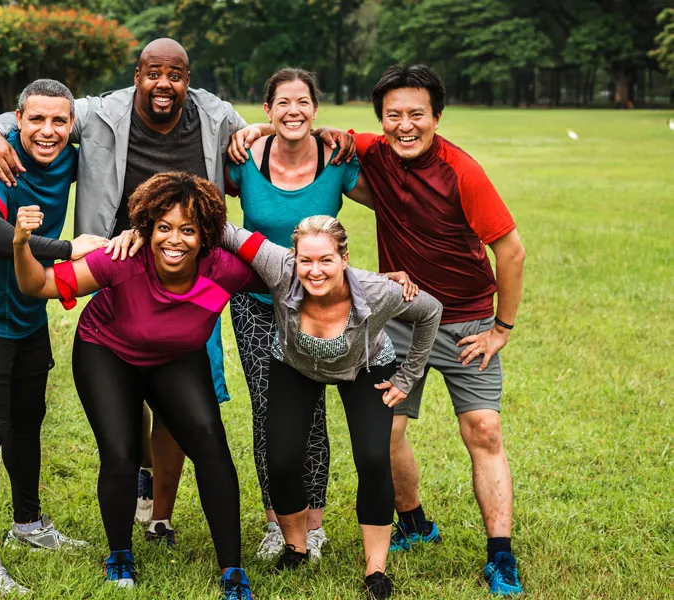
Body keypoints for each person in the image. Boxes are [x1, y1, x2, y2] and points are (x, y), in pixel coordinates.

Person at [0, 38, 355, 542]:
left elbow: (275, 132)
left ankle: (160, 514)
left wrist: (322, 130)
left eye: (175, 74)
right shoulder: (100, 113)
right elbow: (37, 113)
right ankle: (139, 479)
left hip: (191, 271)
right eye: (153, 73)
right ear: (137, 75)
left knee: (182, 399)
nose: (164, 84)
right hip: (119, 262)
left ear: (188, 78)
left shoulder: (213, 114)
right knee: (124, 385)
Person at [11, 172, 258, 599]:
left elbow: (295, 275)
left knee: (212, 448)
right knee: (122, 452)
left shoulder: (225, 270)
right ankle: (120, 553)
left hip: (176, 356)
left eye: (188, 230)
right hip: (107, 350)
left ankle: (232, 569)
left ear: (206, 237)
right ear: (146, 228)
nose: (174, 240)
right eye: (163, 228)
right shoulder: (122, 260)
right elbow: (39, 285)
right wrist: (20, 244)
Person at [353, 65, 526, 596]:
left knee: (484, 431)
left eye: (417, 115)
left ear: (437, 117)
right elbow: (306, 129)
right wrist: (255, 131)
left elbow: (511, 251)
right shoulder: (373, 152)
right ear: (381, 119)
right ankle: (414, 523)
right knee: (387, 432)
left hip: (470, 320)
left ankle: (501, 555)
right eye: (393, 115)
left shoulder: (461, 171)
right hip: (402, 319)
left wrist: (501, 328)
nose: (405, 126)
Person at [222, 216, 442, 599]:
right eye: (306, 260)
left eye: (325, 260)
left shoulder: (377, 291)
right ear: (293, 258)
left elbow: (430, 311)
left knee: (374, 458)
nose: (315, 270)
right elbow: (226, 230)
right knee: (283, 459)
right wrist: (154, 221)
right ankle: (296, 547)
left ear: (344, 258)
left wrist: (407, 377)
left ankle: (376, 570)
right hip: (294, 363)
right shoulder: (280, 267)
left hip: (366, 367)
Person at [0, 79, 103, 595]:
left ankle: (28, 525)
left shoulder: (71, 159)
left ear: (71, 124)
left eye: (60, 121)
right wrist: (62, 248)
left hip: (28, 306)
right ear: (17, 120)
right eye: (37, 119)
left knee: (27, 421)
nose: (48, 131)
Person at [223, 68, 375, 562]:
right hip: (256, 302)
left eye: (303, 102)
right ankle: (276, 521)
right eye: (282, 103)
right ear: (266, 110)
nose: (294, 111)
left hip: (319, 307)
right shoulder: (243, 158)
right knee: (269, 409)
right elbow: (202, 193)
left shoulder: (336, 160)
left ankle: (314, 522)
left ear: (316, 108)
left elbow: (392, 198)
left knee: (312, 412)